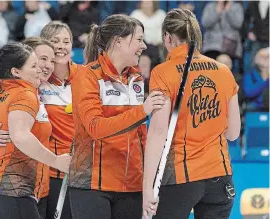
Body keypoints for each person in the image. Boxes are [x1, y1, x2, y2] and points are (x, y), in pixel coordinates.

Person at [143, 8, 241, 219]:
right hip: (220, 176)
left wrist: (147, 188)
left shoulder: (163, 72)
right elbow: (233, 133)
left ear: (168, 37)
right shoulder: (224, 71)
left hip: (180, 177)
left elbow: (158, 134)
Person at [68, 14, 165, 219]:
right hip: (92, 185)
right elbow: (96, 128)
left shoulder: (136, 77)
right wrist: (142, 111)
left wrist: (149, 180)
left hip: (132, 185)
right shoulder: (87, 75)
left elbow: (140, 133)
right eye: (139, 39)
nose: (144, 46)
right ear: (118, 41)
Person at [0, 42, 71, 219]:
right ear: (16, 71)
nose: (43, 68)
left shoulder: (10, 91)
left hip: (13, 192)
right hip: (12, 191)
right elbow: (20, 136)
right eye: (36, 63)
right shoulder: (23, 93)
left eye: (50, 60)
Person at [39, 21, 81, 219]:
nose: (61, 46)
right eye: (55, 41)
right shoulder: (36, 80)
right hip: (45, 172)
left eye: (66, 41)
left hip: (79, 171)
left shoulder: (86, 77)